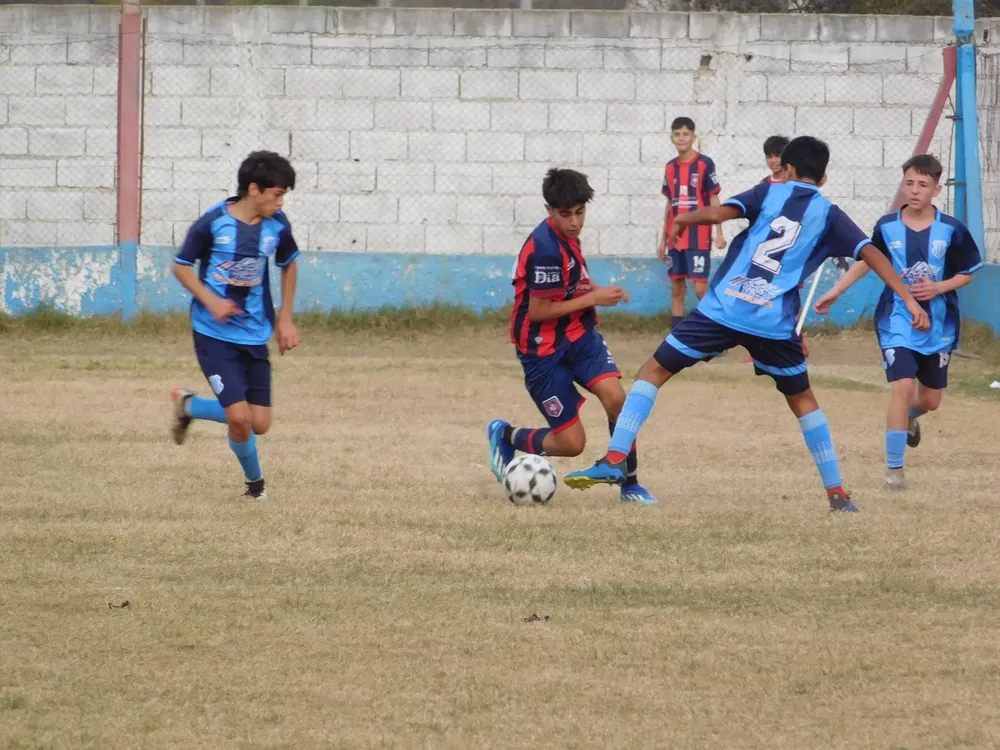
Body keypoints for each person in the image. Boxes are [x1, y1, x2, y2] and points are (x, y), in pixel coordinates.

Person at [563, 136, 931, 512]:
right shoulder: (831, 215)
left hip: (725, 309)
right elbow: (871, 253)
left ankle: (615, 458)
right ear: (823, 179)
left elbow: (719, 213)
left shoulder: (768, 192)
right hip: (772, 322)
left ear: (785, 170)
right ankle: (836, 493)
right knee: (803, 400)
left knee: (654, 370)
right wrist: (906, 298)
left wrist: (683, 220)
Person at [487, 168, 657, 505]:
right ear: (549, 210)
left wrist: (595, 289)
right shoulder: (545, 248)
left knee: (617, 401)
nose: (575, 221)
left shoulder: (568, 236)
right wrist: (595, 299)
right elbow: (539, 311)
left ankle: (630, 483)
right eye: (566, 214)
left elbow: (574, 276)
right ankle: (506, 435)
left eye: (580, 212)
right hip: (542, 350)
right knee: (571, 444)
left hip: (580, 335)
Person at [813, 154, 982, 490]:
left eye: (923, 184)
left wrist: (938, 286)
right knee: (902, 389)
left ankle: (906, 420)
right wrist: (836, 290)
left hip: (939, 322)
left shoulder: (951, 229)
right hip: (896, 318)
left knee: (929, 400)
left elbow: (967, 273)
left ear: (936, 189)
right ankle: (894, 472)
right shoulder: (887, 225)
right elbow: (869, 261)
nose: (914, 190)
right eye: (909, 183)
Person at [169, 150, 302, 502]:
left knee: (260, 423)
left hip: (255, 333)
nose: (281, 201)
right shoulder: (213, 222)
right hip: (213, 334)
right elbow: (181, 266)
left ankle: (190, 406)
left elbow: (289, 264)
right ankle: (255, 486)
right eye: (277, 193)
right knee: (239, 419)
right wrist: (211, 301)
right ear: (254, 189)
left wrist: (285, 318)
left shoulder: (278, 226)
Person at [658, 117, 727, 328]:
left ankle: (716, 329)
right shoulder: (670, 167)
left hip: (699, 235)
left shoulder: (705, 164)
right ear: (672, 138)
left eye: (686, 134)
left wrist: (719, 231)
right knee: (677, 287)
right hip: (675, 238)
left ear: (693, 137)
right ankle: (676, 336)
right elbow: (670, 205)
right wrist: (663, 240)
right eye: (677, 134)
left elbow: (714, 198)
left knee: (699, 289)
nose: (681, 138)